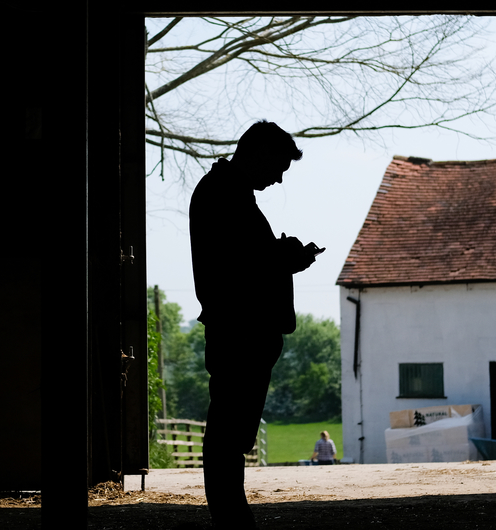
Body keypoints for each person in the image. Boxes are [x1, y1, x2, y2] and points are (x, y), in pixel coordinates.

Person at [190, 120, 323, 529]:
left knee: (232, 429)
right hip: (241, 331)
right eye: (280, 165)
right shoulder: (226, 197)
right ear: (261, 152)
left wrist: (278, 254)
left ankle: (231, 516)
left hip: (239, 329)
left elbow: (243, 259)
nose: (280, 177)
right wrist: (286, 257)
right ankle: (232, 519)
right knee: (230, 430)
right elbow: (244, 266)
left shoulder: (225, 194)